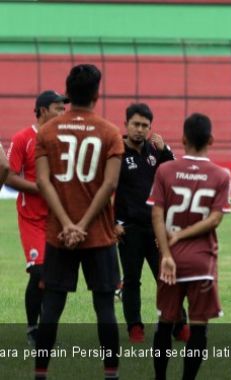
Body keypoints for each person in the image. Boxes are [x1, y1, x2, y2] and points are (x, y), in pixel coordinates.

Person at [34, 64, 124, 380]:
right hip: (98, 234)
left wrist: (67, 224)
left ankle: (40, 373)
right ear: (97, 93)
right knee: (105, 308)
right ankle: (110, 374)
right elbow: (110, 185)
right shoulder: (110, 132)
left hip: (59, 235)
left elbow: (44, 183)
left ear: (68, 94)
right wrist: (83, 224)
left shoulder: (46, 132)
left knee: (52, 308)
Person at [149, 113, 231, 380]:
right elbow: (215, 219)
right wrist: (185, 235)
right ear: (211, 140)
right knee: (198, 328)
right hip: (201, 263)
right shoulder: (220, 175)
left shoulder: (165, 170)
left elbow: (157, 215)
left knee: (164, 323)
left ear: (183, 139)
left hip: (170, 261)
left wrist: (167, 251)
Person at [113, 102, 188, 343]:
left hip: (157, 228)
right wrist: (113, 222)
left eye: (145, 125)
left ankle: (179, 326)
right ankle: (135, 328)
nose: (140, 129)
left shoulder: (156, 151)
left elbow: (175, 173)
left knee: (167, 277)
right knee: (132, 280)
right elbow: (106, 190)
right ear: (125, 125)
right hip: (129, 229)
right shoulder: (116, 153)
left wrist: (165, 148)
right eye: (135, 124)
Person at [5, 90, 68, 346]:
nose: (62, 113)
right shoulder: (23, 139)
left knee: (54, 278)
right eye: (57, 108)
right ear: (42, 111)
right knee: (39, 271)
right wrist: (41, 188)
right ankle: (33, 328)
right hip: (32, 218)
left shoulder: (66, 139)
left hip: (59, 218)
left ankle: (47, 328)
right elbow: (9, 177)